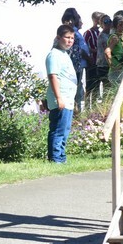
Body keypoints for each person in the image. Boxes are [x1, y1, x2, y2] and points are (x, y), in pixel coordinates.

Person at [44, 24, 78, 163]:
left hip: (68, 98)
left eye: (72, 38)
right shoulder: (54, 55)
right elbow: (53, 76)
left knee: (65, 130)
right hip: (61, 98)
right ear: (58, 38)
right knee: (58, 130)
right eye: (67, 37)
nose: (70, 41)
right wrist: (59, 98)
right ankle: (55, 159)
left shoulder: (64, 54)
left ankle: (61, 157)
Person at [61, 8, 91, 113]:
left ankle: (76, 109)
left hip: (78, 63)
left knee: (78, 86)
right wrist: (89, 58)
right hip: (76, 64)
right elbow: (80, 50)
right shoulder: (73, 33)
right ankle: (76, 110)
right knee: (76, 86)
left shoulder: (73, 32)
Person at [105, 10, 123, 86]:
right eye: (121, 25)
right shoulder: (114, 37)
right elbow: (107, 52)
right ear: (116, 25)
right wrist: (112, 65)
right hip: (116, 72)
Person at [83, 11, 105, 100]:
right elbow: (84, 47)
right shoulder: (88, 33)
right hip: (91, 63)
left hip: (100, 63)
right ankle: (87, 105)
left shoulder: (101, 33)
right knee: (90, 86)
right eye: (99, 20)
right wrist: (96, 50)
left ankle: (95, 105)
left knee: (97, 85)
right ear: (95, 20)